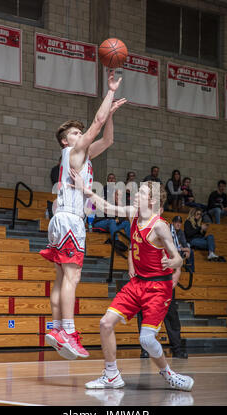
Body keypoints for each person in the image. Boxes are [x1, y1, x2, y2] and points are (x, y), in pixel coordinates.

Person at [70, 170, 194, 392]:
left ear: (152, 200)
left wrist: (173, 263)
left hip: (158, 287)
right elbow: (107, 208)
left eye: (142, 192)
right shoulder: (133, 213)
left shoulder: (160, 226)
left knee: (146, 339)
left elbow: (177, 258)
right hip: (137, 284)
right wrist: (84, 189)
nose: (136, 195)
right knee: (105, 323)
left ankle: (169, 374)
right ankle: (111, 376)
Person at [39, 70, 126, 360]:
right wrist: (110, 91)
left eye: (80, 132)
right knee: (72, 279)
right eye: (76, 133)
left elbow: (108, 138)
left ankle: (54, 329)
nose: (81, 135)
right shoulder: (74, 152)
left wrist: (111, 114)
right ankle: (67, 330)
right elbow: (97, 124)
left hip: (62, 219)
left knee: (61, 278)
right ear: (66, 142)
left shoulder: (84, 156)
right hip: (70, 219)